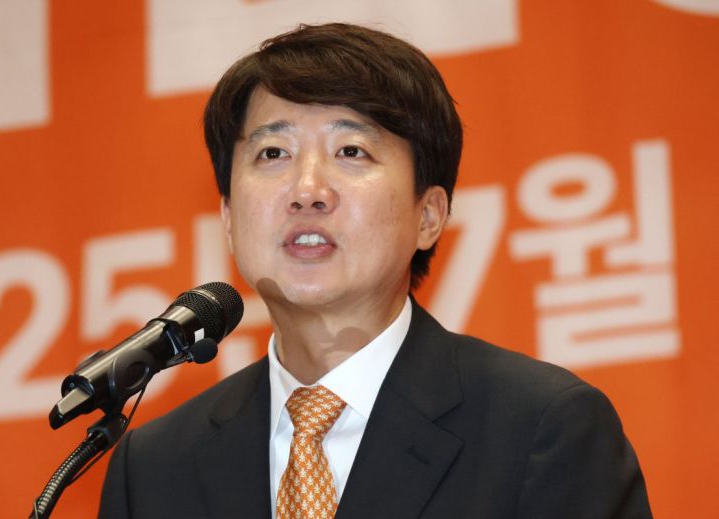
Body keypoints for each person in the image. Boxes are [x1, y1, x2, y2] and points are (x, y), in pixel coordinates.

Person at [99, 23, 652, 518]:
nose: (307, 190)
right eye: (273, 154)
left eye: (351, 151)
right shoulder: (153, 468)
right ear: (227, 217)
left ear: (428, 216)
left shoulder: (541, 428)